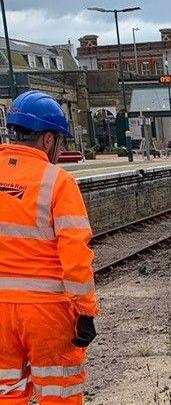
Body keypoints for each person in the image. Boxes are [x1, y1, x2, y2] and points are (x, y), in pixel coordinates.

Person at [0, 90, 98, 404]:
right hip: (47, 313)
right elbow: (75, 257)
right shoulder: (57, 182)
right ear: (47, 140)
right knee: (59, 394)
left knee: (7, 393)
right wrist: (85, 311)